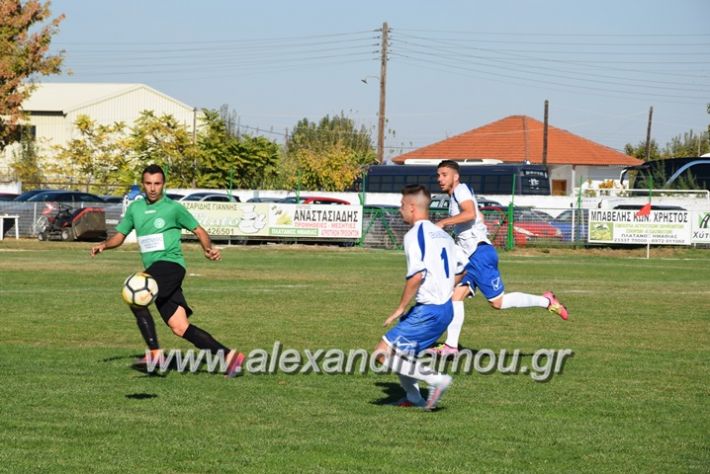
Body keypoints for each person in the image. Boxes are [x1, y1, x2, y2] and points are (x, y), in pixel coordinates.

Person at [90, 164, 245, 377]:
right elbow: (120, 235)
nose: (153, 188)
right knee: (180, 327)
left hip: (171, 266)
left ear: (163, 184)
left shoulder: (173, 208)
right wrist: (105, 245)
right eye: (148, 183)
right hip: (155, 270)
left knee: (136, 297)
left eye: (157, 183)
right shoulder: (135, 209)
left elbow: (198, 230)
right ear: (142, 184)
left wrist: (208, 248)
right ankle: (229, 356)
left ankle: (154, 353)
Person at [431, 160, 568, 356]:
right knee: (455, 296)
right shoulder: (456, 195)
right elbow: (477, 216)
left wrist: (444, 222)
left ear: (456, 176)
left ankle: (546, 301)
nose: (440, 179)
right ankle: (451, 347)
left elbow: (469, 214)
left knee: (498, 303)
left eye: (444, 174)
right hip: (469, 257)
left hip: (479, 255)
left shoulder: (460, 190)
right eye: (438, 175)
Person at [375, 184, 456, 410]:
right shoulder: (443, 235)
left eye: (401, 205)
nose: (400, 210)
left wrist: (401, 307)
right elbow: (462, 270)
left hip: (429, 310)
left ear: (412, 207)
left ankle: (435, 379)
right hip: (445, 308)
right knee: (404, 355)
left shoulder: (414, 235)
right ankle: (413, 398)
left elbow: (417, 276)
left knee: (382, 353)